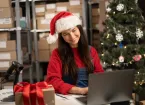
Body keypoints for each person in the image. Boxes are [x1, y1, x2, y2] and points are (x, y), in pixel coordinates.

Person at [45, 11, 104, 95]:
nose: (72, 37)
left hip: (91, 95)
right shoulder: (57, 54)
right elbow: (53, 80)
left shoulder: (91, 51)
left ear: (79, 29)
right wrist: (80, 90)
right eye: (66, 34)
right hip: (69, 97)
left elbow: (99, 74)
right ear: (61, 37)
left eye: (74, 30)